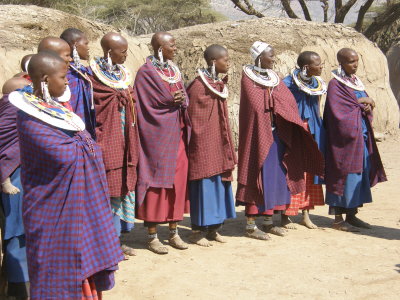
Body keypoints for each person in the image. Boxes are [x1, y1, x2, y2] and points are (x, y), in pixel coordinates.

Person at [9, 51, 123, 299]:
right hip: (51, 210)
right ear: (46, 80)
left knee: (82, 265)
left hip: (76, 207)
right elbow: (65, 155)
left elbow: (82, 145)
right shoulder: (29, 117)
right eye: (63, 77)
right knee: (58, 272)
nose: (68, 82)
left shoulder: (57, 110)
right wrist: (91, 148)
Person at [236, 41, 324, 240]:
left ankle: (268, 221)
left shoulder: (274, 78)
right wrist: (274, 103)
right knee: (256, 175)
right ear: (260, 57)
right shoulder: (248, 78)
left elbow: (287, 102)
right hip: (257, 135)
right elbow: (256, 106)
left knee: (275, 177)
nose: (274, 60)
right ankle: (250, 224)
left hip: (277, 135)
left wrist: (280, 107)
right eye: (271, 56)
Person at [134, 31, 191, 254]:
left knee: (177, 180)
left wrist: (181, 100)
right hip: (155, 138)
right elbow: (145, 105)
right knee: (157, 183)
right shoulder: (145, 73)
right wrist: (170, 101)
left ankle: (174, 231)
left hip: (176, 134)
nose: (175, 49)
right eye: (171, 46)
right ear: (159, 48)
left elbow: (183, 96)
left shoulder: (173, 70)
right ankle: (152, 235)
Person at [324, 48, 387, 231]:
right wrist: (362, 102)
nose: (355, 64)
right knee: (342, 176)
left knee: (359, 175)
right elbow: (338, 112)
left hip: (361, 138)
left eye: (357, 61)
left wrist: (368, 106)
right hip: (343, 142)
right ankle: (337, 219)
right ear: (341, 63)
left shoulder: (355, 83)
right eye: (351, 61)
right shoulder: (336, 85)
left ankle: (352, 215)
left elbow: (359, 103)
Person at [89, 32, 138, 257]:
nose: (126, 55)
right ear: (109, 52)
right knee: (107, 193)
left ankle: (117, 240)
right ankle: (106, 245)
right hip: (107, 143)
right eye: (123, 51)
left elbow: (132, 101)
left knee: (120, 191)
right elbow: (93, 110)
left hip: (126, 141)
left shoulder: (122, 75)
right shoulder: (92, 78)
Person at [186, 44, 236, 246]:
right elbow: (194, 119)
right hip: (204, 144)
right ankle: (198, 231)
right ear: (214, 61)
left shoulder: (217, 84)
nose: (228, 63)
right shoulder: (198, 86)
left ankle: (214, 228)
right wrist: (204, 141)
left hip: (219, 142)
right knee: (204, 184)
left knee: (220, 182)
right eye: (226, 59)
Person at [282, 51, 327, 229]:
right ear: (307, 67)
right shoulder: (288, 84)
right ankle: (286, 215)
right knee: (292, 170)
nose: (322, 66)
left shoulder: (317, 84)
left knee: (310, 171)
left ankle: (305, 213)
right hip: (295, 131)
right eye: (318, 64)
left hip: (313, 130)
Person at [0, 76, 31, 300]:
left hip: (20, 178)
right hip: (14, 180)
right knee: (16, 232)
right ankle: (19, 289)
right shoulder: (14, 115)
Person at [60, 28, 96, 139]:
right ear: (75, 45)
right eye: (85, 43)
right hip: (70, 128)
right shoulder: (65, 73)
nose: (88, 47)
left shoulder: (82, 71)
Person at [37, 36, 73, 110]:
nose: (70, 59)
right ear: (53, 57)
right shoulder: (23, 91)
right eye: (67, 55)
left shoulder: (61, 81)